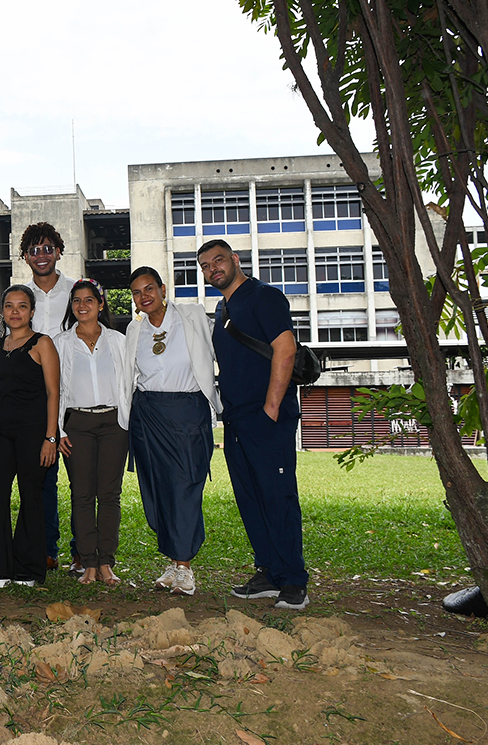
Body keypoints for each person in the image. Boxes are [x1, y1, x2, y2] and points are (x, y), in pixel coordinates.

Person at [199, 239, 310, 611]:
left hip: (267, 415)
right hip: (235, 418)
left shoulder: (265, 296)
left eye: (218, 260)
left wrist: (271, 410)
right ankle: (269, 571)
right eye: (204, 265)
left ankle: (293, 579)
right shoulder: (222, 308)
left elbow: (285, 348)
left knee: (277, 496)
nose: (213, 268)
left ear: (235, 260)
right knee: (250, 498)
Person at [121, 265, 220, 597]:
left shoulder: (192, 318)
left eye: (149, 288)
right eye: (137, 292)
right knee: (158, 489)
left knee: (185, 487)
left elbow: (223, 347)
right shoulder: (135, 332)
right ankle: (173, 561)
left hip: (187, 412)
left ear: (163, 289)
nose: (144, 296)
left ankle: (185, 565)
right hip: (148, 416)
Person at [0, 285, 60, 588]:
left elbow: (53, 393)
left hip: (34, 432)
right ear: (2, 311)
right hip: (3, 433)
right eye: (9, 306)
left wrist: (50, 437)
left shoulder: (42, 343)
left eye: (22, 306)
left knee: (31, 498)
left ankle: (28, 571)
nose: (15, 311)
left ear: (32, 311)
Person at [55, 279, 128, 585]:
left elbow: (130, 382)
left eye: (89, 300)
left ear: (100, 304)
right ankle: (88, 563)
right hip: (77, 425)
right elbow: (53, 390)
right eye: (76, 301)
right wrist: (57, 430)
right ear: (71, 307)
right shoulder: (60, 343)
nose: (82, 306)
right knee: (82, 495)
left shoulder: (119, 341)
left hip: (114, 424)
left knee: (109, 495)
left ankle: (107, 563)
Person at [18, 221, 77, 571]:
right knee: (45, 476)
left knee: (83, 480)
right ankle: (47, 546)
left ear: (59, 251)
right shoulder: (22, 296)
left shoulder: (76, 290)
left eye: (47, 248)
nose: (41, 255)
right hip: (39, 395)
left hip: (79, 389)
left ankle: (83, 550)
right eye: (34, 250)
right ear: (26, 257)